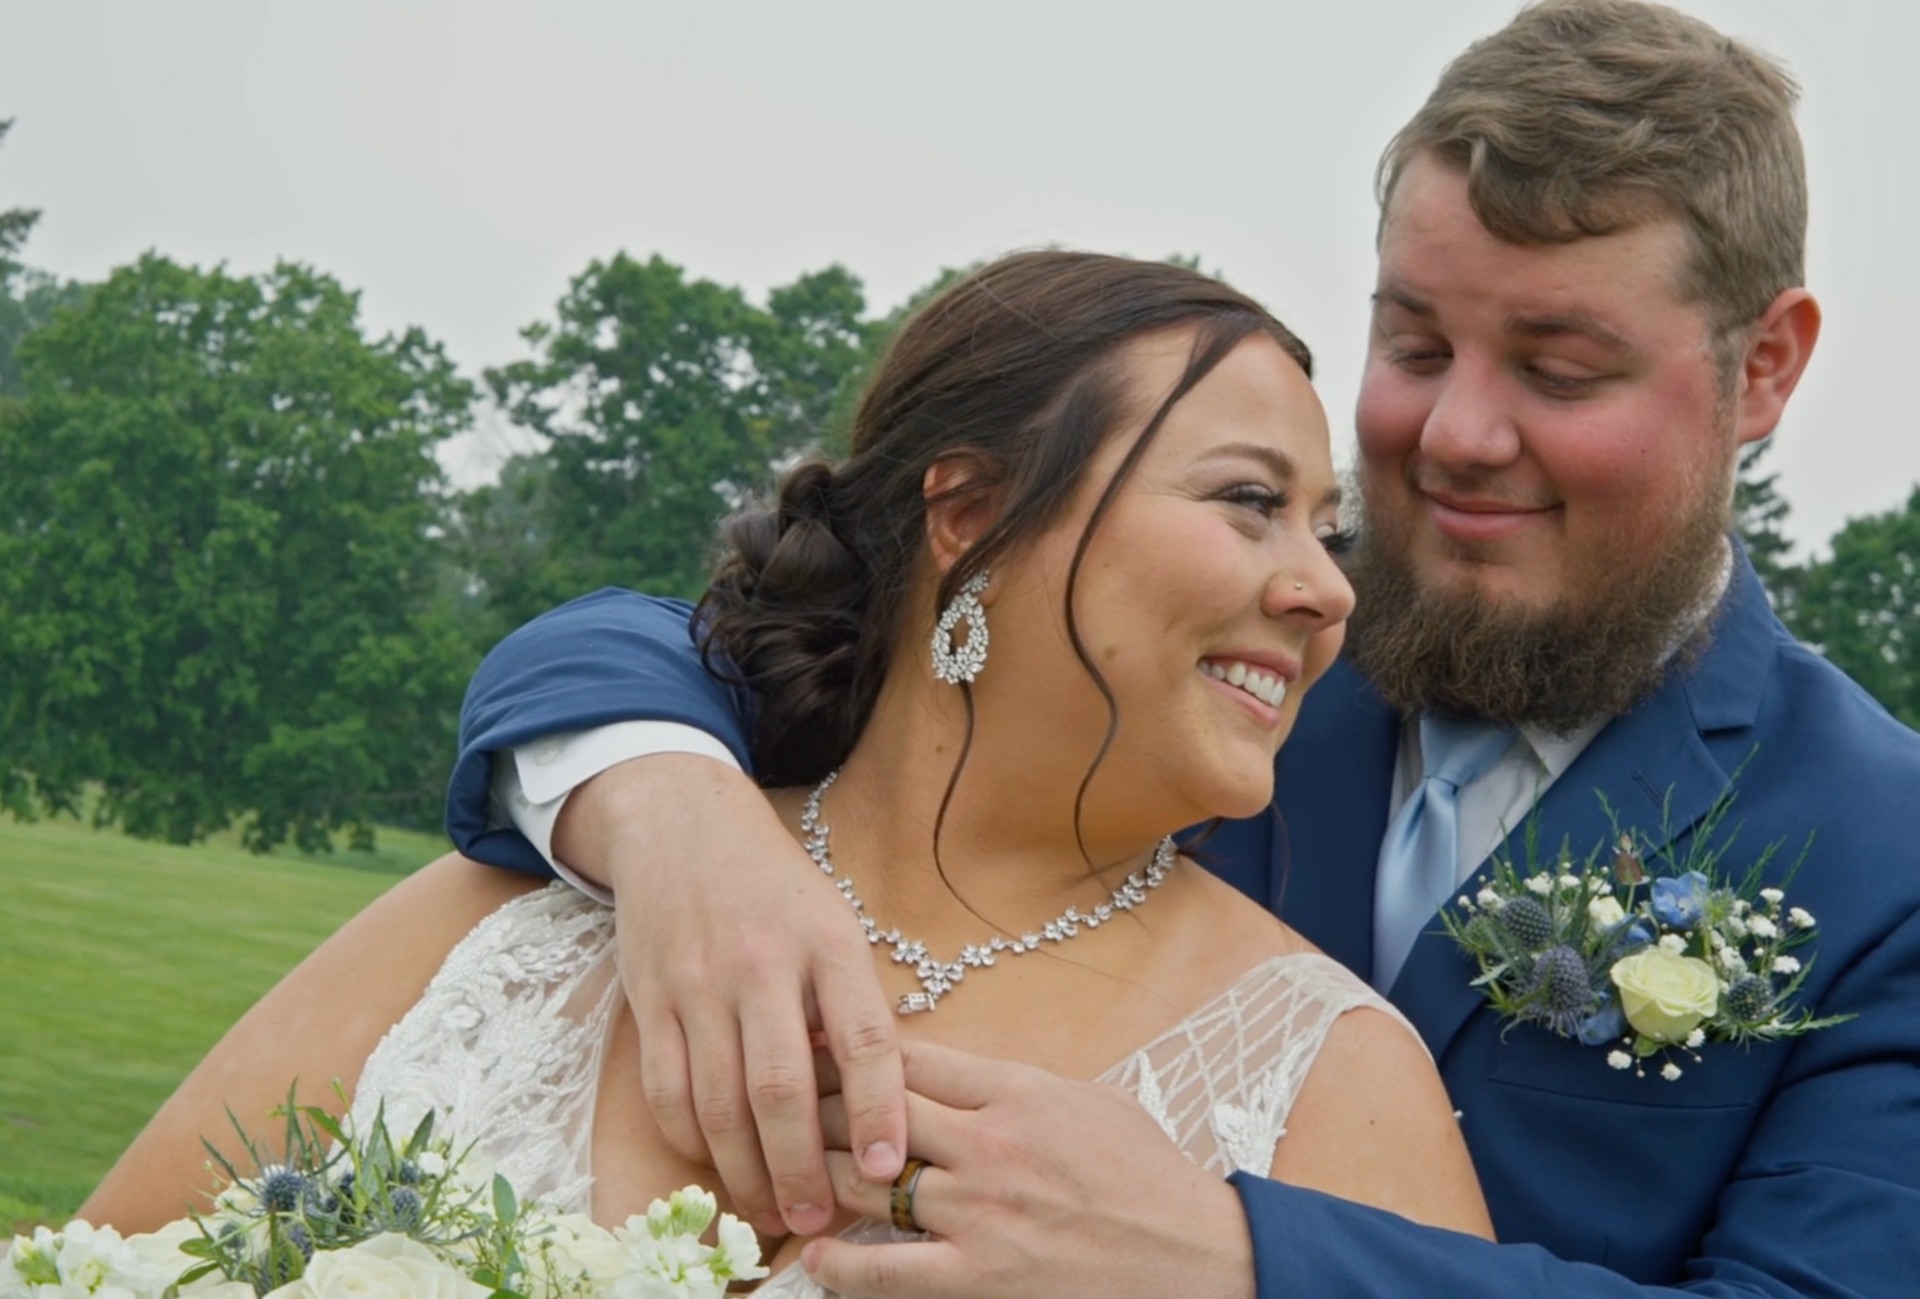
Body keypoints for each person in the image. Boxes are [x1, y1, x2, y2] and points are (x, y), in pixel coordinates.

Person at [435, 2, 1920, 1297]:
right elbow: (691, 637)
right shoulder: (1204, 653)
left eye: (1560, 368)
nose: (1457, 434)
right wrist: (675, 815)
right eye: (1414, 346)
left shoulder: (1888, 856)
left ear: (1764, 367)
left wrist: (1235, 1260)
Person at [79, 252, 1493, 1288]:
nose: (1327, 589)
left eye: (1329, 532)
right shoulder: (514, 918)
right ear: (971, 513)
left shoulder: (1333, 1082)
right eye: (1250, 501)